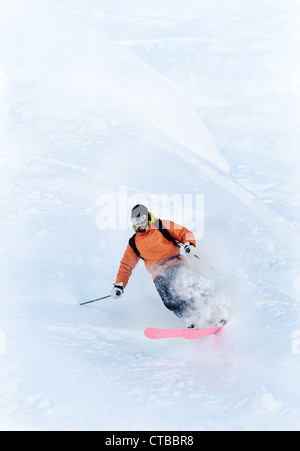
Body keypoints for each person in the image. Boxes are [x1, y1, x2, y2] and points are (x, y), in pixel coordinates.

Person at [111, 204, 199, 327]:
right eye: (134, 221)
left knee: (187, 288)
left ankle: (207, 311)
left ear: (146, 217)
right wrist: (119, 285)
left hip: (175, 264)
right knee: (169, 300)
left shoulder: (161, 225)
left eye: (140, 219)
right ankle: (191, 319)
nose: (138, 224)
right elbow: (126, 265)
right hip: (158, 274)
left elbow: (185, 233)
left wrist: (189, 244)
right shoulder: (134, 242)